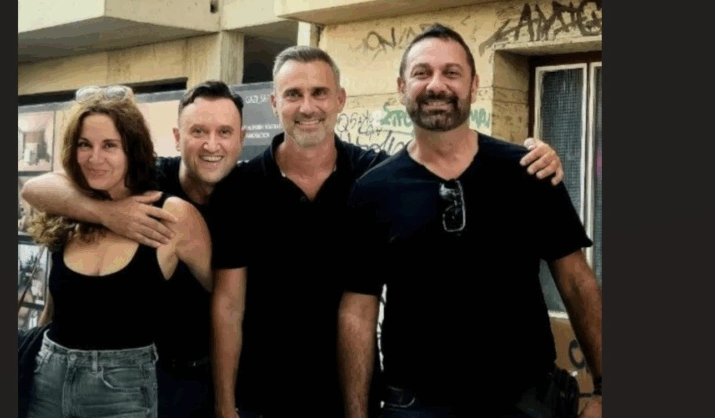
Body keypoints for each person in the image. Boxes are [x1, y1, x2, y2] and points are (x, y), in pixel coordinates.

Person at [207, 45, 567, 418]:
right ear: (274, 103)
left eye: (319, 93)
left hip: (354, 396)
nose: (307, 107)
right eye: (293, 94)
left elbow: (457, 170)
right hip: (262, 398)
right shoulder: (241, 189)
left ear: (340, 99)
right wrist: (225, 407)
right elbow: (228, 307)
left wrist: (530, 160)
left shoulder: (375, 178)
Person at [337, 24, 602, 418]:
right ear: (402, 87)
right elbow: (358, 311)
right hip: (416, 406)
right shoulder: (372, 191)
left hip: (524, 403)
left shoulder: (528, 171)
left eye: (452, 72)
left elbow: (576, 282)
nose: (436, 85)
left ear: (474, 86)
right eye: (422, 73)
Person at [21, 80, 247, 418]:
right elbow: (34, 189)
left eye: (110, 145)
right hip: (49, 378)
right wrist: (108, 213)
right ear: (178, 136)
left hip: (146, 380)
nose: (95, 157)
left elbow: (224, 303)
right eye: (85, 144)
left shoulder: (179, 213)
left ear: (131, 149)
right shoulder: (75, 210)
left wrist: (225, 406)